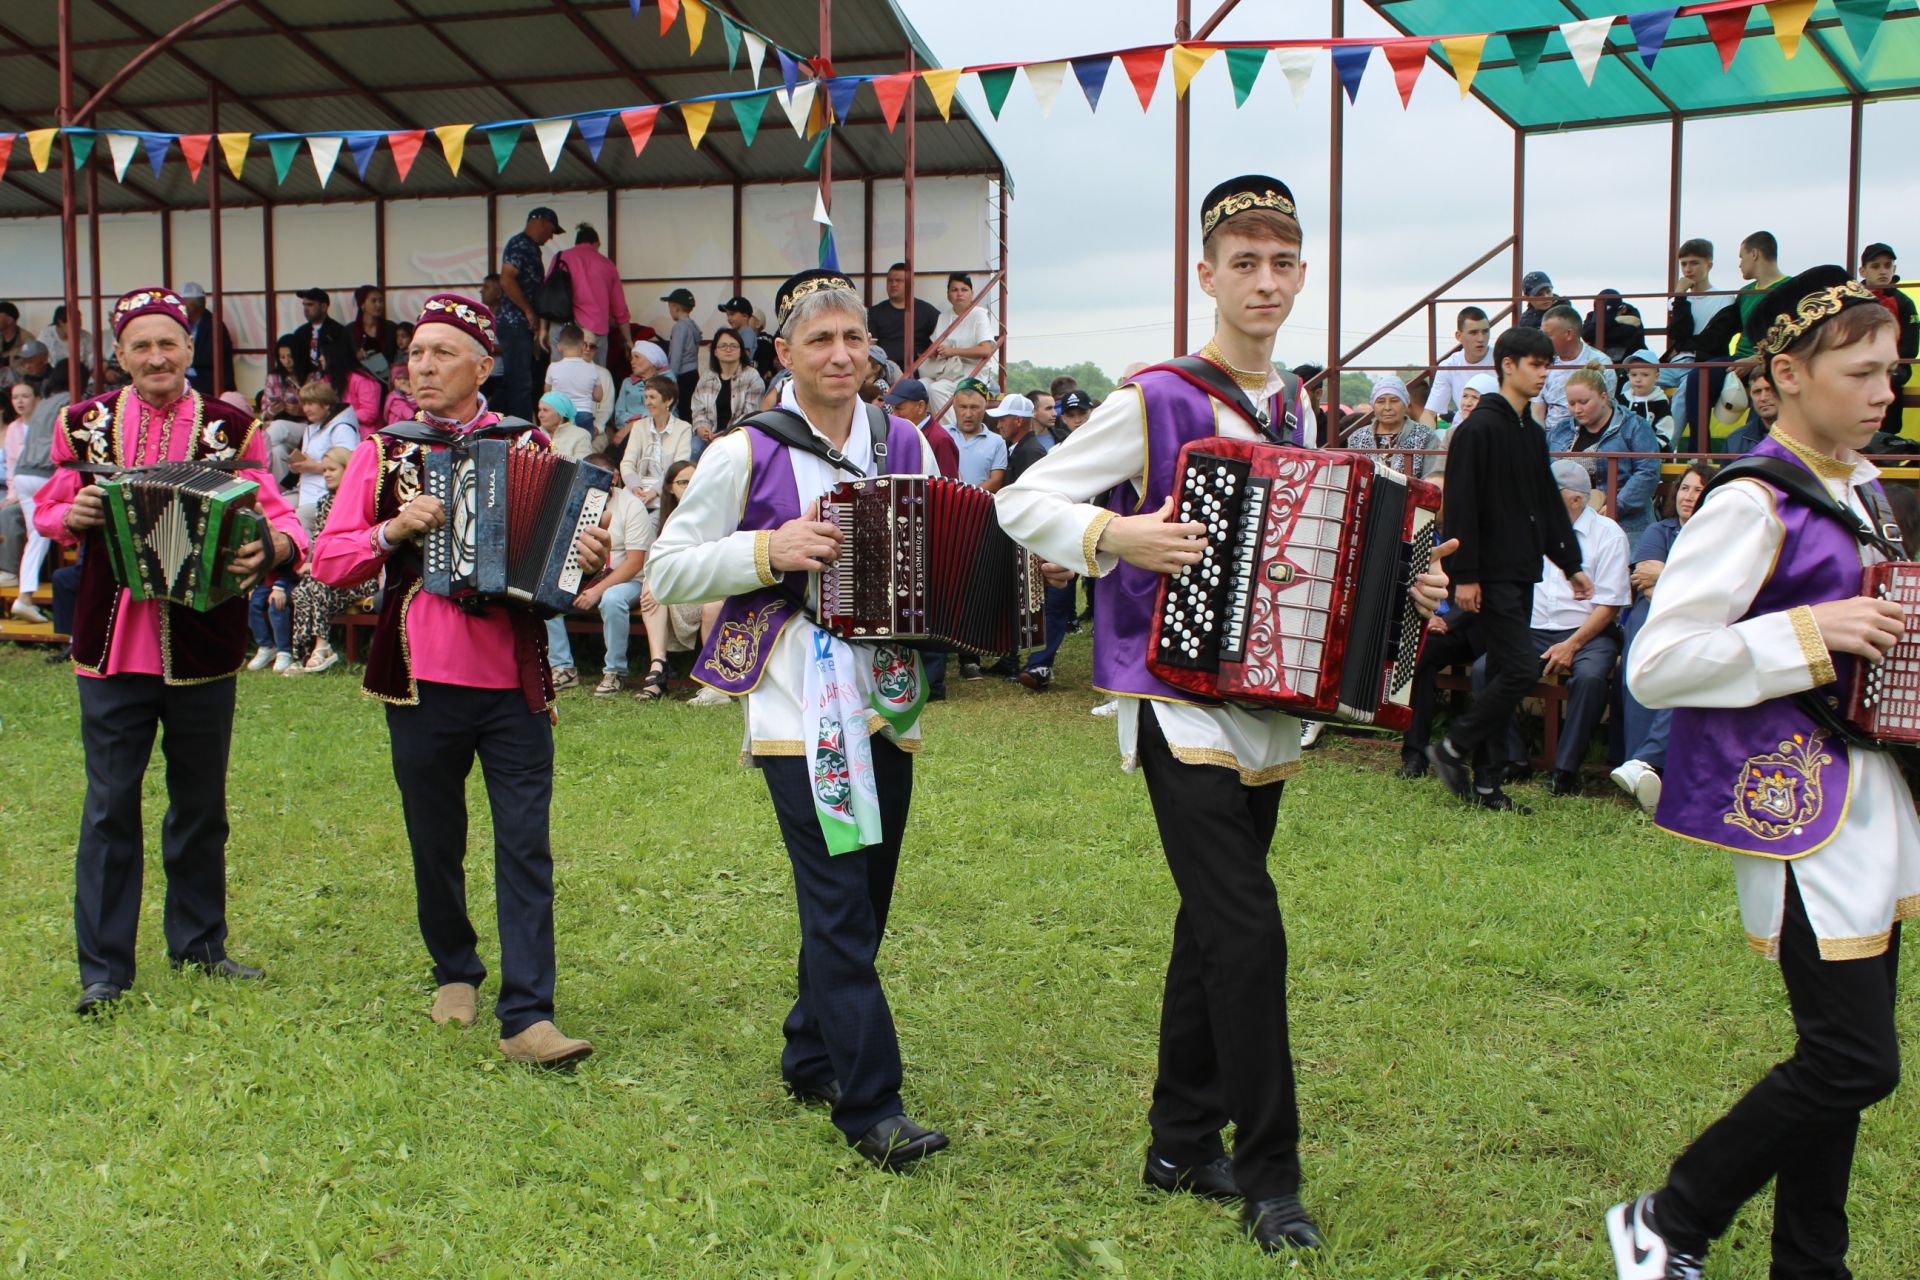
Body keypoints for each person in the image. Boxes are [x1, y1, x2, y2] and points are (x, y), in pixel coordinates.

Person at [996, 176, 1450, 1256]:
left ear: (1302, 276)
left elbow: (1332, 542)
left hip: (1266, 700)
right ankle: (1270, 1171)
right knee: (1250, 932)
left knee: (1212, 925)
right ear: (1206, 275)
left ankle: (1177, 1139)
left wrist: (1407, 589)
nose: (1265, 280)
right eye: (1243, 262)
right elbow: (1024, 500)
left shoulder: (1300, 406)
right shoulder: (1155, 398)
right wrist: (1119, 538)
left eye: (1282, 262)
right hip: (1172, 697)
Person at [1607, 265, 1916, 1280]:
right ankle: (1670, 1213)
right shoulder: (1751, 500)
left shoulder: (1862, 484)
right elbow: (1659, 662)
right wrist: (1807, 631)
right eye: (1862, 370)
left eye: (1894, 371)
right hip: (1800, 812)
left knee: (1842, 1067)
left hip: (1874, 804)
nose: (1886, 390)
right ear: (1785, 373)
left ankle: (1810, 1263)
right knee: (1853, 1058)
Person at [646, 268, 952, 1169]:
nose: (841, 355)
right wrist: (767, 551)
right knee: (837, 898)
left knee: (870, 891)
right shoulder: (746, 451)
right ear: (784, 355)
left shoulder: (906, 440)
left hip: (887, 698)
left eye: (853, 338)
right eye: (819, 340)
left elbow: (941, 536)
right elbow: (667, 567)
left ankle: (810, 1051)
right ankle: (872, 1106)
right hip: (795, 699)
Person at [310, 292, 609, 1068]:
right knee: (435, 837)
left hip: (513, 680)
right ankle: (454, 969)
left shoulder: (525, 445)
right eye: (416, 355)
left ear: (484, 365)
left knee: (524, 844)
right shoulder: (384, 451)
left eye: (443, 353)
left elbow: (565, 561)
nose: (424, 366)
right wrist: (393, 528)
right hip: (419, 677)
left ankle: (529, 1016)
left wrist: (590, 555)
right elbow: (330, 561)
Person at [33, 286, 306, 1015]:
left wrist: (275, 547)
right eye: (141, 345)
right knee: (109, 806)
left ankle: (200, 944)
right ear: (119, 355)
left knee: (200, 805)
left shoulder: (230, 427)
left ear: (190, 349)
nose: (156, 357)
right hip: (112, 645)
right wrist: (73, 510)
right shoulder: (82, 425)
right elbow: (48, 505)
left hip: (202, 642)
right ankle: (104, 970)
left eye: (169, 344)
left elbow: (278, 517)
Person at [1428, 324, 1593, 814]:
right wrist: (1466, 575)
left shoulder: (1531, 432)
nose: (1544, 373)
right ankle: (1454, 746)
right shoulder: (1478, 428)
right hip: (1489, 574)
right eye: (1536, 364)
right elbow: (1461, 505)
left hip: (1522, 571)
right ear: (1508, 365)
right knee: (1521, 668)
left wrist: (1571, 563)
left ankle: (1487, 786)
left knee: (1502, 669)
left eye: (1548, 365)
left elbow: (1545, 501)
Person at [1471, 460, 1629, 795]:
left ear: (1576, 500)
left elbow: (1610, 605)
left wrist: (1572, 644)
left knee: (1588, 678)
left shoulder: (1608, 535)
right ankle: (1514, 758)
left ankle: (1565, 769)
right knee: (1485, 670)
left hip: (1589, 632)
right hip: (1533, 629)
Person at [1609, 462, 1712, 814]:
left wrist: (1666, 577)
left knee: (1680, 671)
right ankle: (1638, 769)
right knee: (1641, 668)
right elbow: (1645, 583)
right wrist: (1689, 586)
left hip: (1694, 623)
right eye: (1685, 488)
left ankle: (1644, 764)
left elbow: (1712, 592)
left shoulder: (1718, 538)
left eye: (1698, 490)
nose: (1689, 496)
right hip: (1652, 617)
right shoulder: (1659, 531)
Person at [641, 459, 727, 705]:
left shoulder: (716, 511)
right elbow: (657, 561)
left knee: (711, 606)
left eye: (693, 481)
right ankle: (657, 668)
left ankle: (714, 684)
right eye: (682, 482)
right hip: (687, 587)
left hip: (715, 584)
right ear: (669, 488)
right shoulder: (667, 518)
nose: (689, 487)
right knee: (652, 591)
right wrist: (652, 582)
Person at [284, 446, 375, 676]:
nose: (326, 474)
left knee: (316, 585)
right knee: (302, 590)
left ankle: (321, 648)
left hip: (360, 575)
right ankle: (305, 653)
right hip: (330, 575)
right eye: (324, 470)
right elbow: (321, 543)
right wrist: (314, 565)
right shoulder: (325, 503)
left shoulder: (362, 498)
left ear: (348, 470)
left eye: (332, 469)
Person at [1549, 367, 1663, 540]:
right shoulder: (1560, 430)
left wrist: (1616, 506)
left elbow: (1648, 472)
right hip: (1570, 527)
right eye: (1571, 404)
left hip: (1625, 527)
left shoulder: (1635, 426)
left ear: (1603, 398)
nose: (1577, 409)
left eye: (1584, 402)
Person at [496, 206, 563, 420]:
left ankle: (494, 419)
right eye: (552, 230)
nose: (551, 236)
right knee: (520, 383)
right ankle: (520, 432)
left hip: (523, 325)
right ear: (541, 221)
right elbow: (506, 279)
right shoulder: (519, 244)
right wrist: (528, 310)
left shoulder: (532, 248)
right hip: (515, 323)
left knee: (520, 381)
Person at [1666, 238, 1734, 440]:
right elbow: (1679, 335)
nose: (1688, 269)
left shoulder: (1725, 298)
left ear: (1709, 265)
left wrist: (1687, 343)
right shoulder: (1677, 300)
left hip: (1702, 362)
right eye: (1684, 264)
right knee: (1631, 380)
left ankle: (1665, 450)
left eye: (1694, 263)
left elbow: (1714, 341)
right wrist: (1680, 296)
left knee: (1682, 395)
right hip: (1676, 363)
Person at [4, 381, 58, 623]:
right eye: (17, 396)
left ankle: (25, 597)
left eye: (25, 396)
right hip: (44, 474)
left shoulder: (40, 413)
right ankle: (25, 596)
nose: (20, 401)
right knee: (40, 533)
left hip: (26, 476)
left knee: (37, 533)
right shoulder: (62, 406)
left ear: (37, 397)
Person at [287, 380, 361, 537]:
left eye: (311, 403)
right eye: (304, 403)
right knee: (278, 509)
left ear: (326, 405)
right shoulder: (310, 428)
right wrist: (297, 466)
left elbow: (350, 465)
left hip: (330, 496)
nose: (306, 409)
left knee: (302, 517)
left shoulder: (342, 429)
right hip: (305, 491)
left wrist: (313, 467)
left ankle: (308, 560)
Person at [1859, 242, 1918, 424]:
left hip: (1894, 367)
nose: (1883, 271)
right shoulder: (1851, 300)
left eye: (1887, 265)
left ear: (1894, 268)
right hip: (1860, 363)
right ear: (1863, 271)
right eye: (1875, 266)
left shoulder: (1905, 302)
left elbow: (1910, 347)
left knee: (1888, 378)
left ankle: (1886, 435)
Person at [921, 272, 997, 410]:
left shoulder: (979, 315)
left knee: (936, 390)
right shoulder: (943, 317)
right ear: (948, 295)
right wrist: (934, 352)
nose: (959, 294)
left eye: (964, 290)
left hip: (972, 374)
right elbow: (935, 345)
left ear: (972, 294)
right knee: (920, 387)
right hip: (946, 371)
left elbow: (986, 349)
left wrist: (953, 351)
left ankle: (951, 431)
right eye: (954, 290)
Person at [556, 223, 629, 367]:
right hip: (595, 329)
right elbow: (619, 308)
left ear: (577, 241)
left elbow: (548, 296)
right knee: (597, 377)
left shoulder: (561, 258)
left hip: (562, 328)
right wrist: (628, 339)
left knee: (560, 377)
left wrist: (543, 329)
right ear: (597, 243)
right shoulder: (607, 264)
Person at [1537, 305, 1617, 435]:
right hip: (1550, 436)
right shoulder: (1543, 362)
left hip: (1586, 434)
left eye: (1548, 335)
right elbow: (1537, 409)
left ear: (1568, 334)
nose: (1542, 340)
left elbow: (1606, 408)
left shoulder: (1601, 362)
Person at [688, 326, 767, 457]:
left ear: (741, 351)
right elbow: (698, 409)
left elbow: (750, 415)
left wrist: (723, 435)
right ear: (715, 351)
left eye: (733, 346)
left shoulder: (752, 377)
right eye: (723, 346)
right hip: (708, 435)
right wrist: (702, 428)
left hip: (739, 436)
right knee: (694, 448)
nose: (728, 349)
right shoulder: (707, 377)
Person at [622, 373, 692, 514]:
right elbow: (627, 463)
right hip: (636, 493)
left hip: (665, 494)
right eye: (646, 397)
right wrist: (635, 487)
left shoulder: (683, 428)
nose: (647, 402)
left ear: (668, 400)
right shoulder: (639, 426)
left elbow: (678, 469)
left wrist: (654, 491)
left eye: (652, 397)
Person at [1344, 374, 1437, 478]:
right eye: (1380, 401)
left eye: (1394, 401)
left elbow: (1431, 479)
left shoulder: (1425, 435)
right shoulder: (1358, 437)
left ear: (1406, 404)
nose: (1387, 407)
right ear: (1373, 405)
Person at [1419, 307, 1493, 426]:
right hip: (1461, 432)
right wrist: (1434, 442)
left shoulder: (1504, 362)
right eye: (1474, 333)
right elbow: (1428, 414)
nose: (1481, 338)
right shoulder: (1448, 366)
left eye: (1485, 331)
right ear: (1459, 336)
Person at [867, 262, 940, 374]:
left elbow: (941, 338)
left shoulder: (927, 311)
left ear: (911, 284)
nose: (893, 284)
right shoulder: (874, 312)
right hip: (884, 370)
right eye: (890, 281)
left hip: (918, 370)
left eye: (899, 281)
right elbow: (870, 346)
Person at [289, 288, 355, 397]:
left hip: (331, 385)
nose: (305, 309)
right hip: (305, 386)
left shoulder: (338, 331)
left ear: (324, 307)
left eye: (310, 305)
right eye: (304, 305)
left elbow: (344, 361)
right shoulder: (300, 333)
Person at [948, 378, 1007, 489]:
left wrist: (967, 498)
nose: (968, 414)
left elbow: (996, 480)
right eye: (963, 407)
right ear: (954, 405)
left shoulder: (997, 442)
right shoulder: (942, 435)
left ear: (985, 406)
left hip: (979, 504)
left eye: (974, 407)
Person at [176, 284, 234, 397]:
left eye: (182, 304)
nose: (179, 308)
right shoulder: (182, 324)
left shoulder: (214, 325)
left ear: (193, 306)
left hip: (209, 384)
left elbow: (208, 359)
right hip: (188, 382)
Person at [542, 323, 601, 428]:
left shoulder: (553, 367)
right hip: (584, 414)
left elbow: (547, 393)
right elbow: (598, 396)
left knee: (561, 443)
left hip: (561, 414)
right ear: (583, 347)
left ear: (559, 347)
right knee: (584, 442)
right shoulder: (592, 368)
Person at [1618, 350, 1676, 449]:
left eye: (1645, 375)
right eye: (1633, 375)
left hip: (1650, 453)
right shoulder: (1622, 399)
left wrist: (1652, 448)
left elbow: (1665, 430)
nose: (1638, 379)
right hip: (1624, 450)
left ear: (1656, 377)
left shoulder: (1660, 403)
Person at [661, 287, 703, 414]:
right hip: (693, 373)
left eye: (670, 307)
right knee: (691, 409)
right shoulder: (693, 326)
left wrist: (670, 379)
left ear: (675, 307)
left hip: (681, 376)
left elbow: (676, 356)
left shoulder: (679, 327)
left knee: (682, 411)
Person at [1724, 364, 1781, 455]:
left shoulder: (1808, 434)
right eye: (1757, 392)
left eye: (1769, 390)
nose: (1763, 398)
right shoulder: (1735, 440)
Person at [350, 286, 400, 382]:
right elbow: (344, 358)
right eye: (374, 301)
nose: (379, 305)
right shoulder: (350, 331)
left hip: (388, 380)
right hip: (360, 381)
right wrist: (356, 356)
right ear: (362, 304)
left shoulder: (391, 328)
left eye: (381, 301)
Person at [538, 391, 593, 462]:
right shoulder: (534, 433)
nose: (540, 415)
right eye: (539, 410)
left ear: (560, 414)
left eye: (545, 410)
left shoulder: (581, 435)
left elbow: (581, 469)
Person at [381, 359, 418, 428]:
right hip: (398, 435)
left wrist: (410, 394)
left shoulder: (408, 395)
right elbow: (410, 415)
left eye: (406, 378)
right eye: (399, 379)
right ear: (393, 381)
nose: (402, 382)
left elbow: (416, 409)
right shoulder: (394, 399)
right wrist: (410, 393)